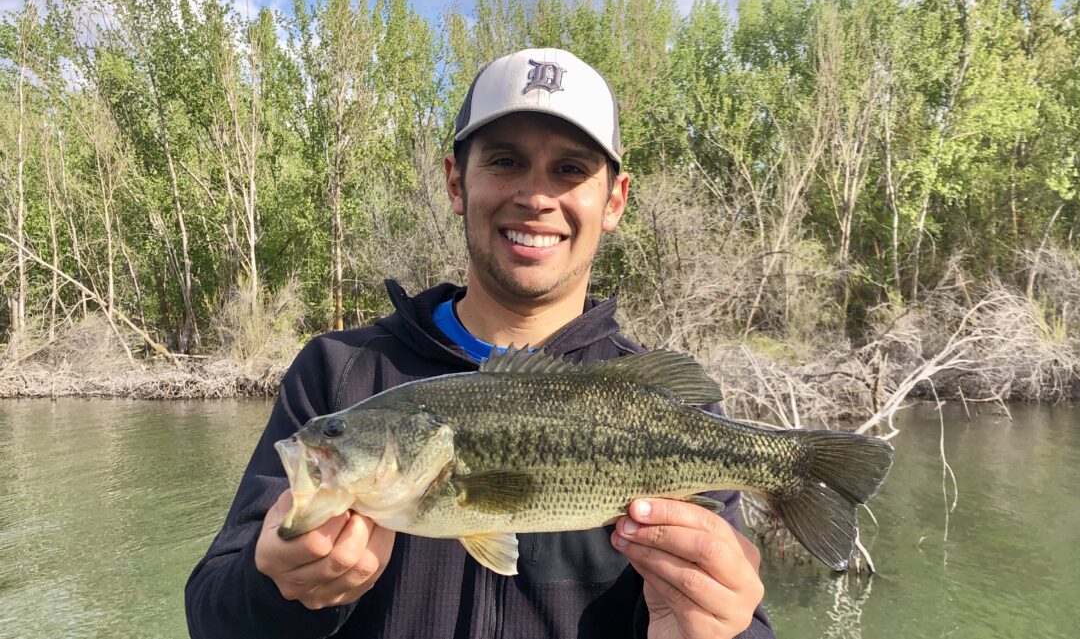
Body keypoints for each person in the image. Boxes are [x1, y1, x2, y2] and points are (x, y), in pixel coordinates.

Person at [185, 48, 774, 639]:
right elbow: (212, 617)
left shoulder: (669, 410)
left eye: (570, 169)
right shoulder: (336, 374)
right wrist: (277, 593)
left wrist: (718, 631)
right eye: (505, 161)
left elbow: (745, 621)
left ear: (615, 199)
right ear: (455, 181)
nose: (536, 197)